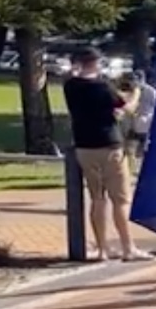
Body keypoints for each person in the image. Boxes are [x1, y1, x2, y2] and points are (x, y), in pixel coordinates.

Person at [63, 47, 151, 261]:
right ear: (95, 63)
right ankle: (128, 247)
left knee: (97, 198)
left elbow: (106, 109)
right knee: (120, 200)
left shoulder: (71, 87)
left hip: (84, 146)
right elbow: (127, 107)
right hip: (110, 146)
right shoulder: (103, 87)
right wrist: (136, 91)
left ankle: (102, 249)